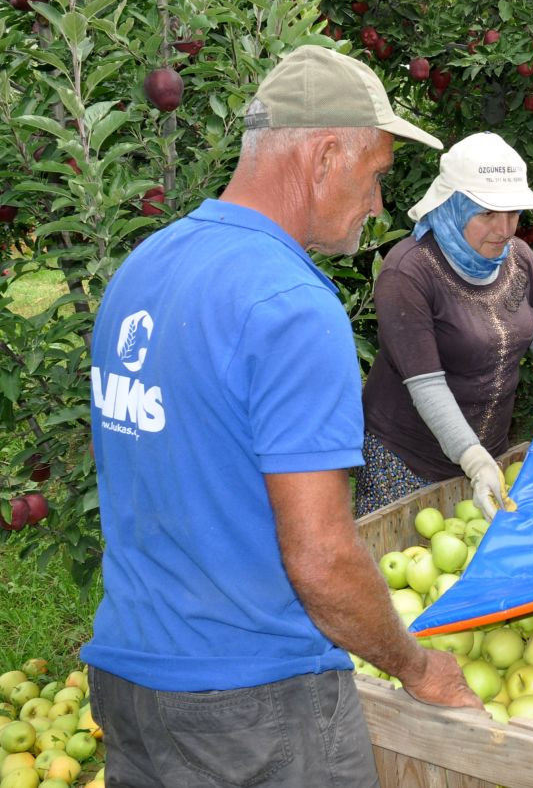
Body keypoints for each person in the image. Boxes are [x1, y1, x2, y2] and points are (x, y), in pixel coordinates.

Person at [84, 45, 481, 788]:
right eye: (377, 178)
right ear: (326, 154)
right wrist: (418, 667)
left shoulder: (144, 267)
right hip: (251, 706)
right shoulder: (291, 304)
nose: (376, 207)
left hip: (132, 680)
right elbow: (322, 559)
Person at [357, 132, 533, 516]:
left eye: (513, 212)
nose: (505, 228)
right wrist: (473, 459)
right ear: (453, 207)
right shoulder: (408, 272)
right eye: (487, 213)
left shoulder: (520, 260)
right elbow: (427, 386)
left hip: (488, 455)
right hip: (408, 459)